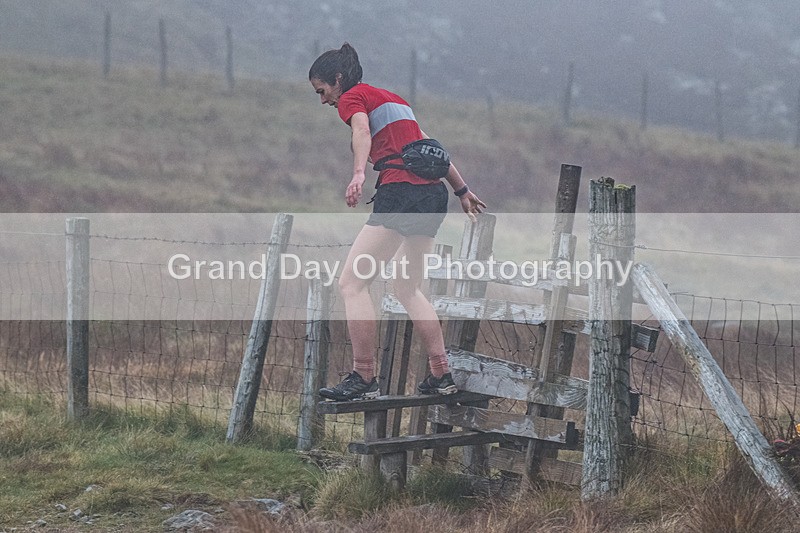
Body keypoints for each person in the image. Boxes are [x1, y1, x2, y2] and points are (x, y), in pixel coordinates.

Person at [309, 43, 486, 401]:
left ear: (338, 81)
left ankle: (364, 376)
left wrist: (359, 173)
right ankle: (441, 375)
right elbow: (429, 147)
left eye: (322, 91)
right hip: (432, 196)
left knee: (352, 283)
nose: (324, 100)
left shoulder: (353, 98)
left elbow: (361, 131)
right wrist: (462, 190)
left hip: (400, 191)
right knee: (408, 288)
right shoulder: (394, 99)